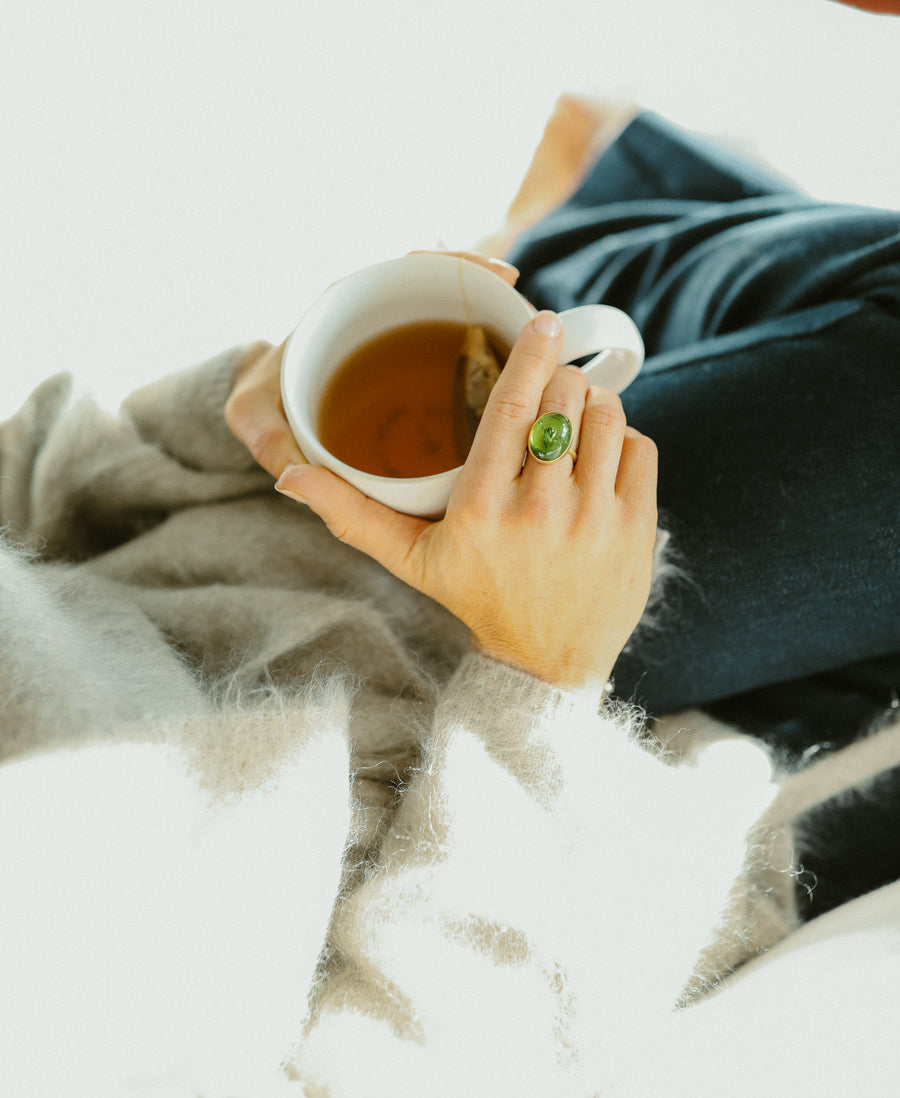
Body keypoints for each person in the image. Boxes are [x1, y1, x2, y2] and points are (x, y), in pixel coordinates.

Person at [1, 96, 899, 1096]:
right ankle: (594, 216)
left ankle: (565, 246)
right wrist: (539, 685)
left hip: (338, 532)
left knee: (579, 335)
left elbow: (27, 489)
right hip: (573, 797)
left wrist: (239, 419)